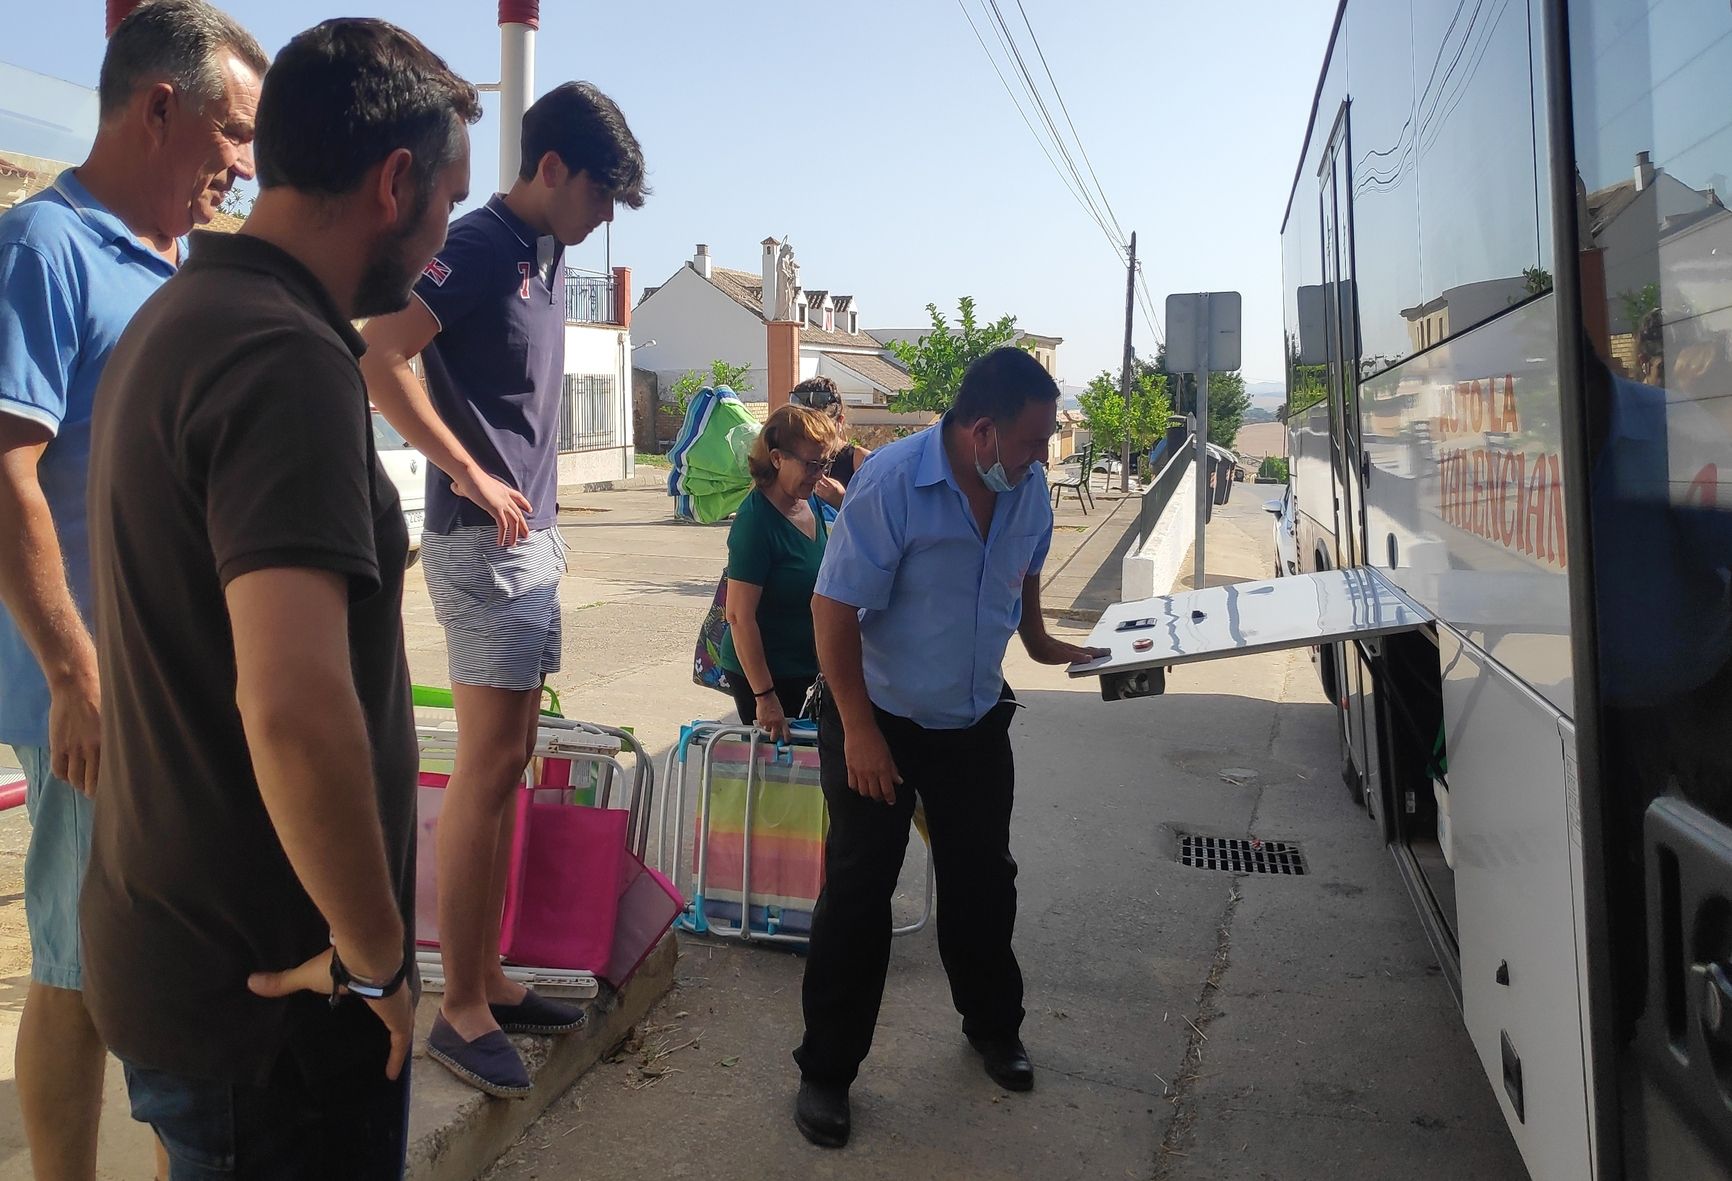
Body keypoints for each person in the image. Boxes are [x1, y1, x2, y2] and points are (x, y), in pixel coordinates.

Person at [80, 19, 480, 1176]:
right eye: (448, 202)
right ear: (393, 183)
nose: (444, 236)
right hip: (278, 1007)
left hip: (188, 959)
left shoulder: (186, 312)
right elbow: (295, 706)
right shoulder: (285, 355)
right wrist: (376, 957)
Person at [0, 3, 265, 1176]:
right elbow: (5, 470)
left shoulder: (170, 262)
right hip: (96, 695)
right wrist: (76, 671)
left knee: (156, 960)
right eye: (235, 134)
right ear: (162, 107)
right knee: (79, 964)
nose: (245, 166)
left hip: (169, 683)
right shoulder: (45, 247)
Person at [359, 80, 649, 1097]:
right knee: (484, 773)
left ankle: (488, 975)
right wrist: (468, 470)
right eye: (601, 194)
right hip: (480, 546)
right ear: (552, 168)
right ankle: (461, 1006)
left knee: (513, 758)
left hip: (531, 547)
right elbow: (379, 353)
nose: (605, 217)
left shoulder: (547, 250)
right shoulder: (482, 242)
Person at [791, 347, 1107, 1148]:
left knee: (983, 881)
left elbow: (1023, 575)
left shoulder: (1025, 486)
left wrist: (1044, 642)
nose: (1042, 458)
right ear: (980, 432)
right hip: (880, 716)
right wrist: (858, 731)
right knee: (861, 894)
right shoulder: (893, 483)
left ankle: (992, 1027)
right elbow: (832, 611)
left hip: (970, 719)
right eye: (1033, 441)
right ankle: (826, 1072)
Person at [719, 404, 841, 739]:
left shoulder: (811, 501)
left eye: (824, 463)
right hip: (767, 675)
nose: (819, 474)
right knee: (781, 779)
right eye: (811, 465)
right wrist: (765, 696)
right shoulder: (756, 523)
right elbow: (739, 617)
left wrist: (845, 503)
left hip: (807, 667)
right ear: (776, 459)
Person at [788, 376, 872, 509]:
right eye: (803, 427)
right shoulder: (787, 457)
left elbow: (882, 519)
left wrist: (843, 501)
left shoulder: (861, 461)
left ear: (840, 421)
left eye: (821, 427)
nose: (812, 434)